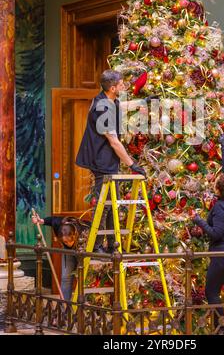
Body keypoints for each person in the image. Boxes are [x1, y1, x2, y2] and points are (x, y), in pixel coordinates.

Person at [75, 69, 147, 254]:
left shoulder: (108, 100)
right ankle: (97, 246)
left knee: (109, 204)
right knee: (103, 206)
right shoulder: (102, 108)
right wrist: (133, 165)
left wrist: (143, 102)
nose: (124, 86)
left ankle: (111, 243)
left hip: (108, 162)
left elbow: (122, 106)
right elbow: (114, 142)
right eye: (121, 84)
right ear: (113, 87)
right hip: (102, 162)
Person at [193, 133, 224, 333]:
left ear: (219, 189)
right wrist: (223, 145)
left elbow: (216, 234)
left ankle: (220, 329)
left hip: (222, 255)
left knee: (212, 292)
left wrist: (198, 220)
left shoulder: (221, 207)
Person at [31, 214, 90, 301]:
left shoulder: (83, 229)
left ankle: (84, 304)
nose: (69, 243)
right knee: (66, 278)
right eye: (65, 242)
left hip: (85, 250)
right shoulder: (60, 224)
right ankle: (64, 306)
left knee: (84, 278)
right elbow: (52, 220)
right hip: (68, 252)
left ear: (74, 234)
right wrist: (40, 221)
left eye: (71, 240)